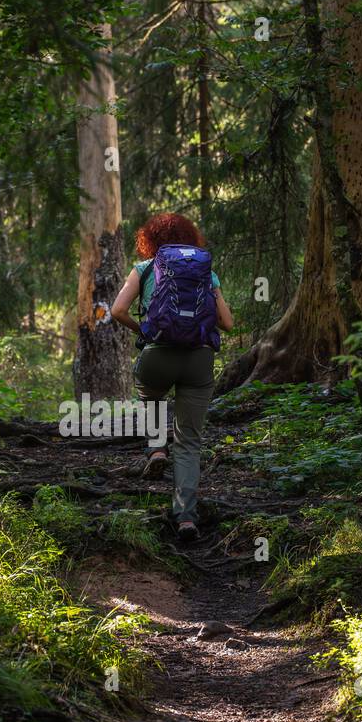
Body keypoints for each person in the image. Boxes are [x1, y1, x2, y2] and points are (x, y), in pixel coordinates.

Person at [110, 212, 233, 545]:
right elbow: (227, 323)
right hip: (199, 360)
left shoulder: (144, 268)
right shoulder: (207, 272)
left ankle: (156, 449)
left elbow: (117, 310)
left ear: (150, 240)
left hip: (157, 355)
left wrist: (145, 330)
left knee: (149, 394)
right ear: (190, 239)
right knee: (189, 443)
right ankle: (185, 517)